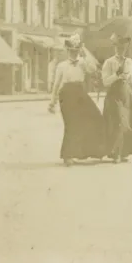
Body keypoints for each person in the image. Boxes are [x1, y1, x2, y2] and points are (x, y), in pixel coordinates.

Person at [49, 34, 106, 167]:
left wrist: (85, 54)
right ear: (68, 51)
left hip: (80, 93)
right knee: (71, 124)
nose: (74, 53)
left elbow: (92, 69)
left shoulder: (82, 63)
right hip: (67, 95)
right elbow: (56, 85)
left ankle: (93, 151)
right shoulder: (61, 66)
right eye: (71, 51)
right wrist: (52, 102)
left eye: (76, 50)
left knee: (96, 118)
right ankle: (67, 156)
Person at [102, 34, 132, 163]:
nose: (120, 50)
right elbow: (105, 82)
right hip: (113, 96)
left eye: (123, 48)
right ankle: (115, 153)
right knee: (118, 122)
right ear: (114, 47)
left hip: (126, 95)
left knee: (128, 123)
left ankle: (124, 152)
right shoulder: (109, 62)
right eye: (118, 47)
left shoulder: (129, 62)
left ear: (126, 48)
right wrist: (116, 75)